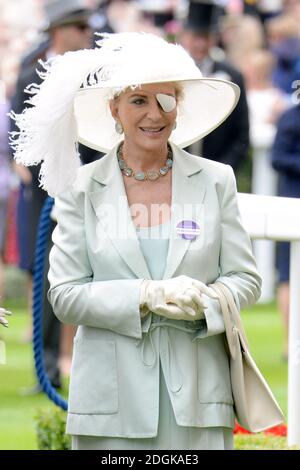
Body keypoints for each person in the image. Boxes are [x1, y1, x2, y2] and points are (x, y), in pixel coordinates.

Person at [10, 32, 261, 450]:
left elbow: (244, 280)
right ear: (114, 109)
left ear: (178, 107)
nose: (153, 114)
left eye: (165, 100)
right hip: (109, 405)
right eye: (139, 101)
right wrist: (145, 294)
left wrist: (203, 300)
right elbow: (66, 295)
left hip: (198, 401)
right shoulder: (81, 188)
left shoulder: (217, 180)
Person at [180, 1, 250, 173]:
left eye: (206, 36)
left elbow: (241, 134)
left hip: (217, 169)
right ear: (184, 36)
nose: (200, 44)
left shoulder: (232, 76)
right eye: (196, 36)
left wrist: (222, 170)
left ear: (215, 38)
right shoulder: (172, 73)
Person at [271, 103, 300, 359]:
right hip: (293, 205)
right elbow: (277, 157)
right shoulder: (291, 118)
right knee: (288, 274)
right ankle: (289, 343)